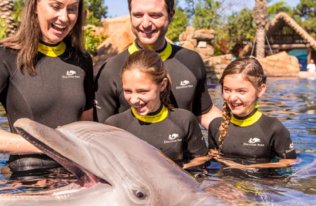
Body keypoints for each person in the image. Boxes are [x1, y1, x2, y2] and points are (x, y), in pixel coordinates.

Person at [95, 0, 221, 129]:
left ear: (171, 15)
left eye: (155, 15)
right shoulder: (111, 68)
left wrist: (234, 132)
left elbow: (205, 113)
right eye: (138, 15)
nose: (145, 24)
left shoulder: (190, 60)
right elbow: (101, 130)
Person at [0, 0, 94, 173]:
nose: (64, 18)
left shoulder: (83, 60)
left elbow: (87, 127)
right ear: (35, 6)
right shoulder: (6, 55)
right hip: (28, 180)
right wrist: (49, 144)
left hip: (77, 178)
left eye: (72, 9)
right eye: (56, 6)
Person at [105, 50, 210, 169]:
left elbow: (202, 160)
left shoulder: (184, 121)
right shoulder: (115, 125)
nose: (133, 100)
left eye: (142, 91)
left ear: (163, 85)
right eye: (127, 91)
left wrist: (174, 168)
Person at [208, 57, 297, 171]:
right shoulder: (216, 126)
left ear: (260, 90)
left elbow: (290, 161)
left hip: (260, 185)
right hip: (226, 185)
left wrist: (247, 167)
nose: (232, 98)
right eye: (227, 90)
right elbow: (213, 158)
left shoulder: (273, 128)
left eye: (241, 91)